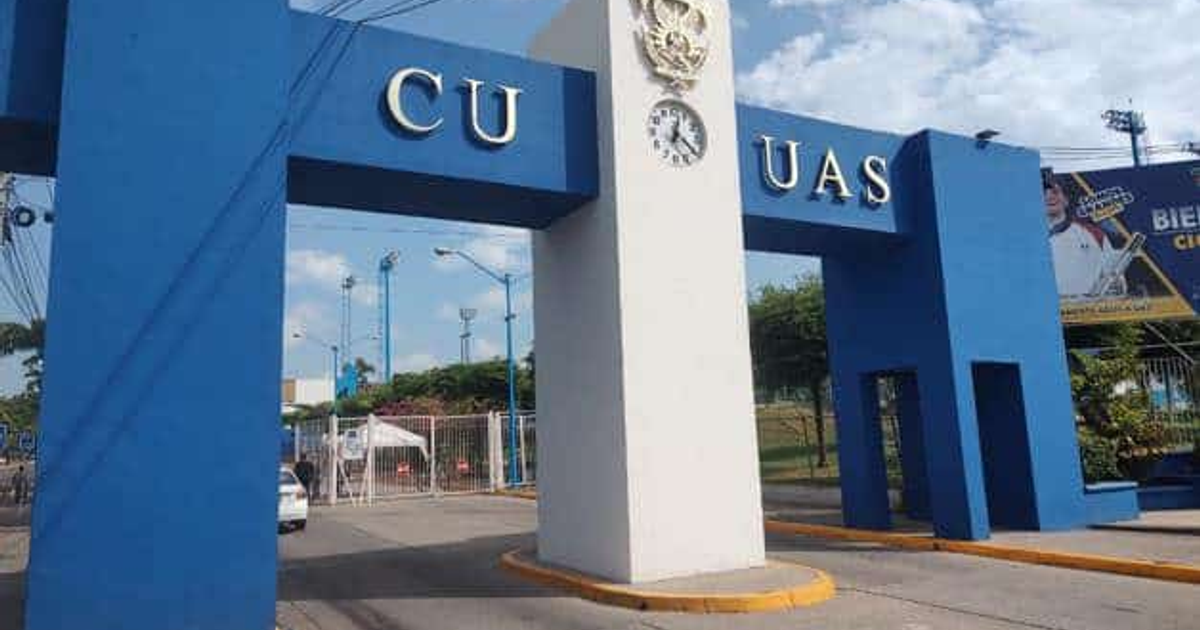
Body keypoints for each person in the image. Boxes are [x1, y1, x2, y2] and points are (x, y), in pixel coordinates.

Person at [1044, 171, 1127, 298]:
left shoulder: (1094, 234)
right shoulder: (1023, 238)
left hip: (1088, 311)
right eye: (1043, 193)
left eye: (1055, 192)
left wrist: (1116, 285)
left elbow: (1114, 276)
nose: (1049, 197)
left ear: (1066, 199)